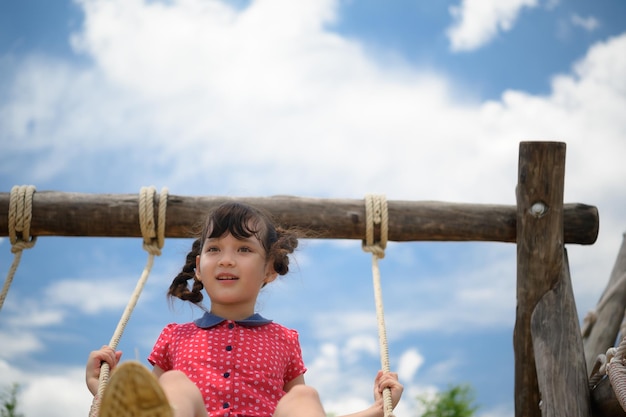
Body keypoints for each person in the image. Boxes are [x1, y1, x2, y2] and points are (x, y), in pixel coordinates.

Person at [86, 202, 403, 417]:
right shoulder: (175, 337)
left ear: (269, 270)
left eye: (243, 249)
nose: (226, 259)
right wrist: (105, 390)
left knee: (304, 398)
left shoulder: (283, 340)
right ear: (198, 267)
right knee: (174, 384)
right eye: (214, 249)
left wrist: (377, 409)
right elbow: (143, 404)